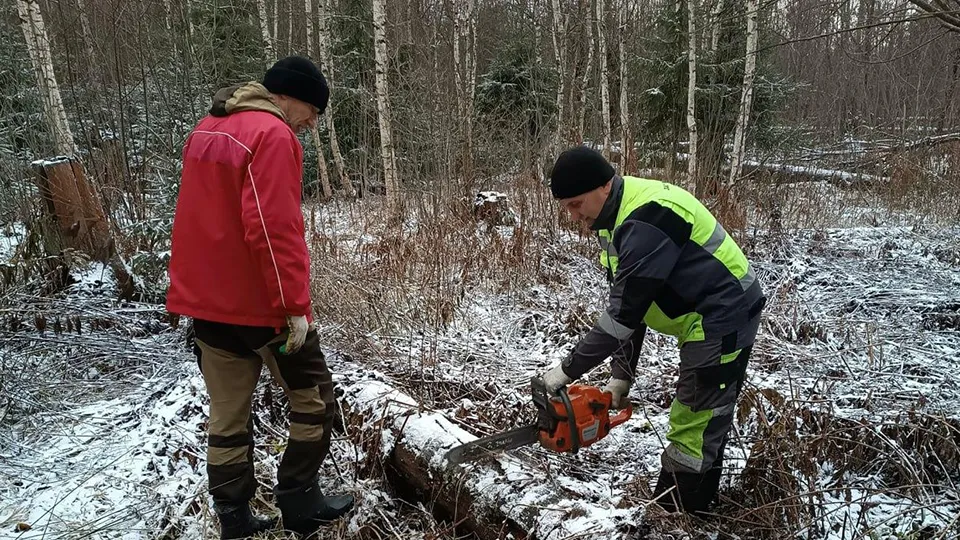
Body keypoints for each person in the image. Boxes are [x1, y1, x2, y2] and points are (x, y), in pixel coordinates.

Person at [166, 56, 354, 539]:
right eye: (312, 109)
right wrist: (294, 307)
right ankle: (300, 501)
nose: (312, 122)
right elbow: (273, 230)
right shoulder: (272, 136)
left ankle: (234, 519)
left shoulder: (207, 129)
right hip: (260, 306)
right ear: (286, 96)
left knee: (227, 414)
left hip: (205, 306)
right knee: (314, 400)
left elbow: (196, 218)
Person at [539, 146, 765, 515]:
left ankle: (679, 513)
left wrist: (566, 371)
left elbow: (623, 317)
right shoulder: (614, 221)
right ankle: (700, 500)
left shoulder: (650, 218)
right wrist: (620, 378)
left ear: (604, 186)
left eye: (576, 204)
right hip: (696, 312)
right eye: (567, 207)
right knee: (704, 413)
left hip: (722, 312)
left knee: (695, 416)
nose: (573, 215)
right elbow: (631, 304)